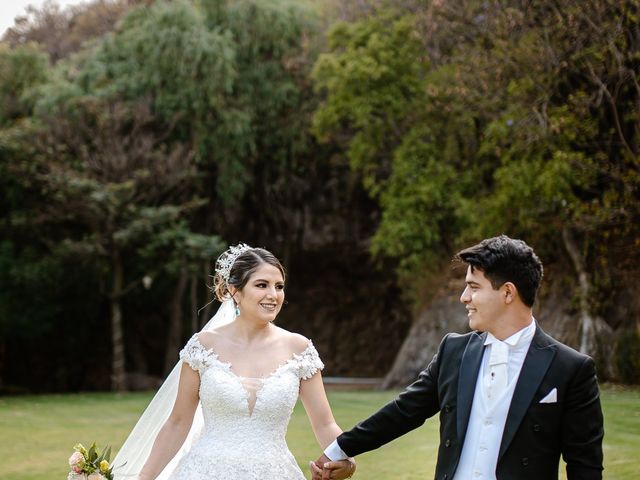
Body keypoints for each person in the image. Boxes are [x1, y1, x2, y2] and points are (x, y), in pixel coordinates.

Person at [311, 235, 604, 480]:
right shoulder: (454, 351)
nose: (464, 297)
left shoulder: (570, 369)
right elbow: (402, 413)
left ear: (507, 293)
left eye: (473, 287)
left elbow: (585, 468)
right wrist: (338, 449)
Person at [113, 243, 355, 479]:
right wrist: (144, 477)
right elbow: (178, 423)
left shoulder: (299, 349)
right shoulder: (203, 346)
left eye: (279, 286)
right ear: (234, 291)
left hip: (274, 472)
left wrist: (346, 459)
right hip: (205, 471)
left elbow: (325, 424)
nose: (273, 295)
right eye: (262, 285)